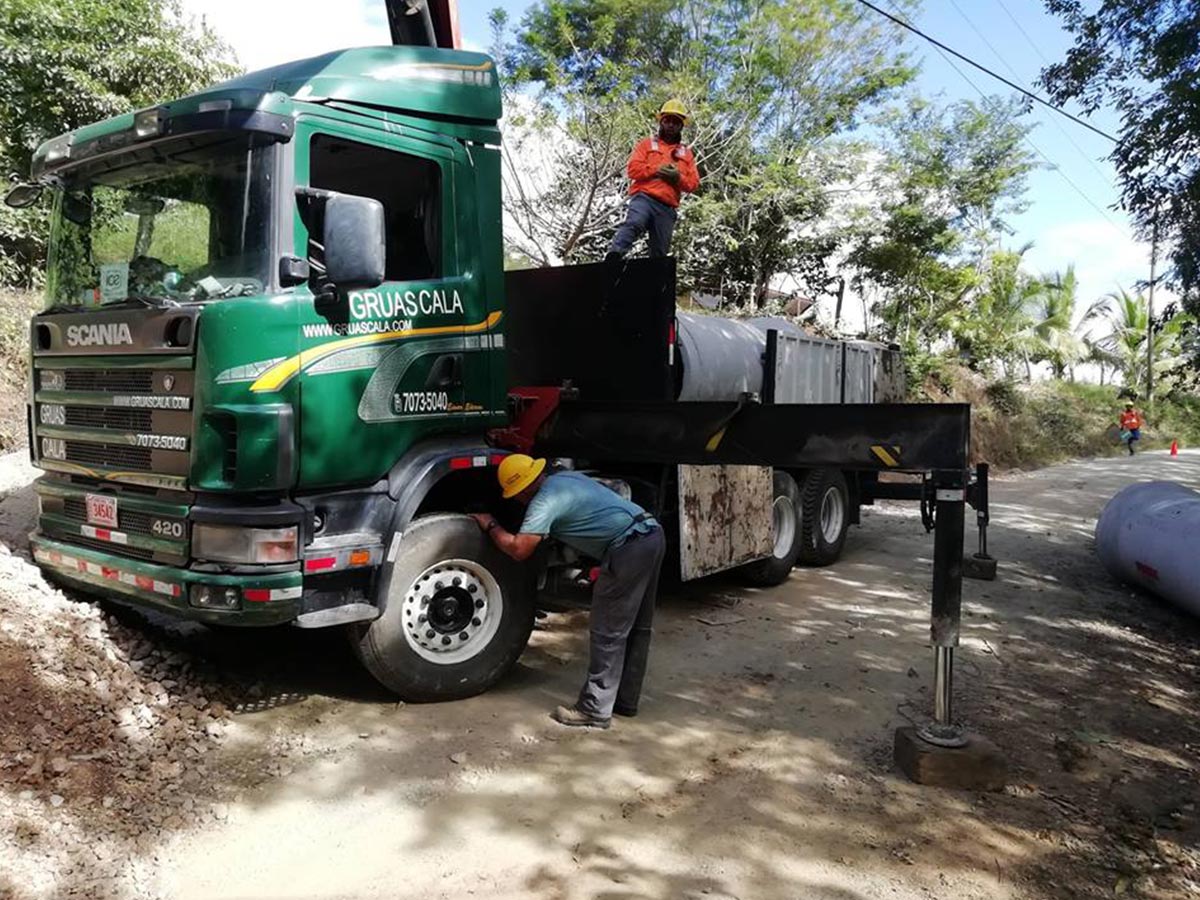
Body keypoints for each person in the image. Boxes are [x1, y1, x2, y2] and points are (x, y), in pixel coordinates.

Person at [471, 455, 666, 729]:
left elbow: (519, 548)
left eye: (515, 495)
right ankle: (625, 701)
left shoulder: (543, 501)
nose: (516, 501)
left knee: (607, 631)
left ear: (524, 489)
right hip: (651, 534)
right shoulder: (563, 479)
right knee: (636, 628)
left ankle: (595, 709)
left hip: (627, 549)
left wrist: (490, 524)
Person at [605, 99, 700, 261]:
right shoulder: (647, 144)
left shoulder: (686, 154)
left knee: (660, 252)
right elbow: (633, 170)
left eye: (676, 122)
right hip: (644, 198)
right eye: (667, 120)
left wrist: (678, 178)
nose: (671, 125)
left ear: (681, 126)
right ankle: (613, 258)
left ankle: (656, 282)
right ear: (661, 122)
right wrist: (656, 170)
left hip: (667, 207)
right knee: (634, 223)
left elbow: (693, 184)